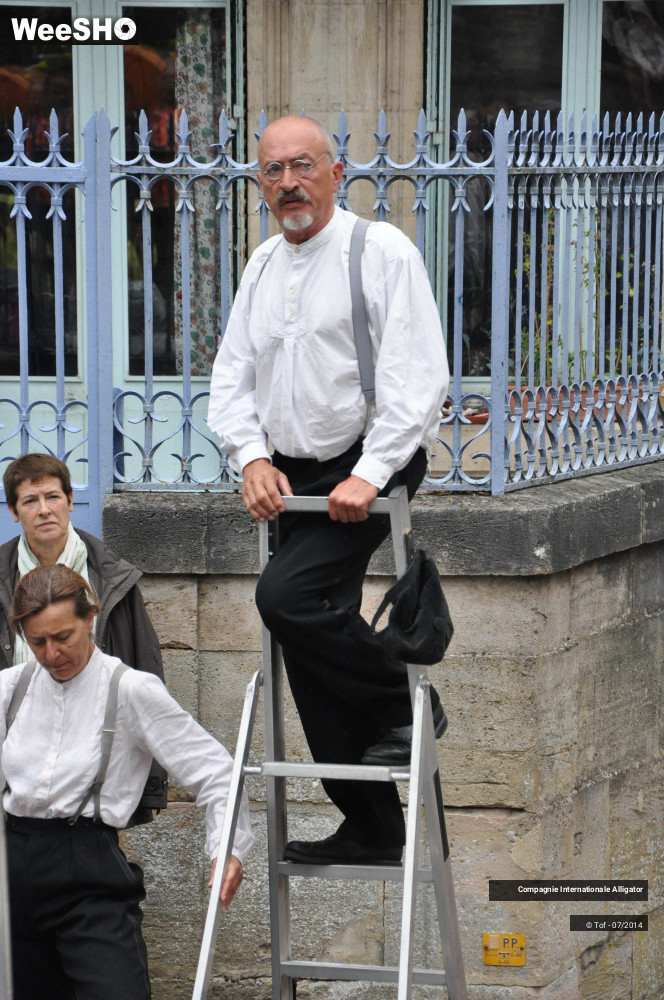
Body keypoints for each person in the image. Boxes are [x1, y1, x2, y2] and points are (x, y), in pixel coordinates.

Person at [207, 115, 450, 866]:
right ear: (261, 185)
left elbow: (420, 377)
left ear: (336, 172)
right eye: (273, 172)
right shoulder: (260, 266)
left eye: (302, 166)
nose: (288, 183)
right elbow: (229, 382)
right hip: (294, 474)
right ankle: (374, 824)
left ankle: (406, 701)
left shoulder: (379, 250)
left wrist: (370, 472)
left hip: (371, 461)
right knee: (306, 637)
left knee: (284, 599)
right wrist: (249, 457)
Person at [1, 563, 253, 1000]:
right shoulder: (10, 687)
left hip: (88, 872)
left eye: (63, 637)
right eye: (37, 641)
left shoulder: (131, 690)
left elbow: (216, 772)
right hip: (12, 870)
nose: (51, 654)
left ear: (90, 619)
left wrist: (226, 849)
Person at [0, 454, 167, 820]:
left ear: (71, 501)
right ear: (14, 511)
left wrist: (151, 784)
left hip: (95, 755)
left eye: (53, 497)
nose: (44, 510)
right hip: (16, 751)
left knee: (89, 856)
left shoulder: (112, 576)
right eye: (30, 500)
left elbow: (146, 667)